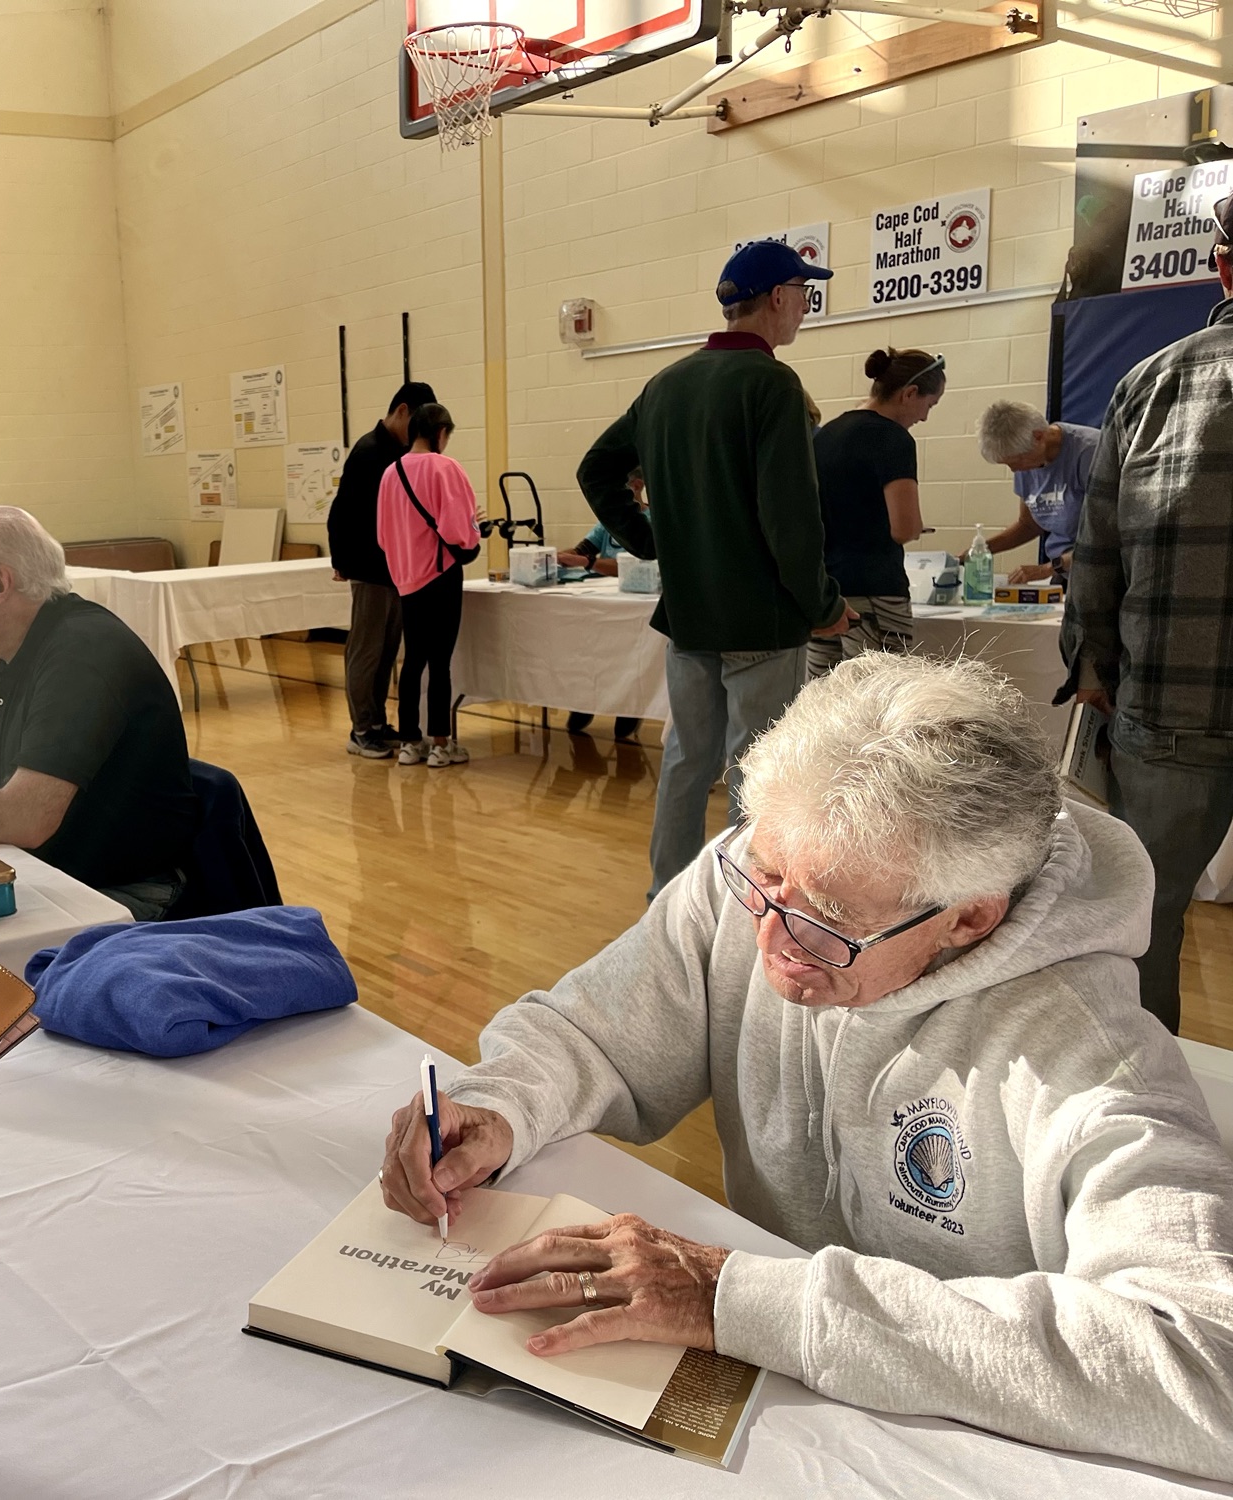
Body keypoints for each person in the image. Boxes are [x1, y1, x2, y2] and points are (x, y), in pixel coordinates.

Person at [381, 654, 1233, 1482]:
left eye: (828, 921)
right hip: (763, 1390)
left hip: (950, 1442)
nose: (771, 941)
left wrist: (732, 1295)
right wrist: (501, 1102)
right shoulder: (785, 868)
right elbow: (595, 1028)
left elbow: (1206, 1361)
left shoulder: (1093, 1058)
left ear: (969, 919)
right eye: (763, 878)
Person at [578, 239, 852, 897]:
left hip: (689, 614)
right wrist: (822, 604)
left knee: (686, 760)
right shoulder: (773, 384)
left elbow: (596, 470)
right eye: (804, 295)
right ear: (779, 297)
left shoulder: (666, 384)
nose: (805, 308)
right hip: (761, 618)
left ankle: (666, 900)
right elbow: (791, 518)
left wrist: (648, 540)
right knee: (758, 772)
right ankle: (738, 907)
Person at [1062, 193, 1233, 1036]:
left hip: (1169, 701)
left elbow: (1096, 551)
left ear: (1223, 267)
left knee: (1144, 919)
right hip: (1171, 702)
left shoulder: (1150, 381)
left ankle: (1145, 1091)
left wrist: (1092, 665)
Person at [0, 506, 199, 918]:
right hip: (41, 869)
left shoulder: (84, 652)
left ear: (0, 584)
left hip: (119, 894)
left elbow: (27, 816)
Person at [807, 347, 946, 679]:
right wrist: (916, 526)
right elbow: (903, 528)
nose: (925, 417)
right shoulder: (893, 438)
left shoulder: (826, 435)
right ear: (909, 393)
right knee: (877, 698)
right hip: (875, 590)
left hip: (826, 591)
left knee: (819, 698)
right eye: (929, 405)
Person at [329, 380, 437, 758]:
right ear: (402, 410)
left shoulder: (399, 452)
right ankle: (361, 729)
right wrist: (341, 560)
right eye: (417, 421)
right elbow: (341, 512)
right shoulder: (369, 452)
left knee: (387, 651)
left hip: (395, 570)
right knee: (366, 651)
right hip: (369, 567)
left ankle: (376, 722)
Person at [376, 402, 480, 768]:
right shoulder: (445, 468)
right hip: (441, 574)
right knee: (440, 662)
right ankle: (440, 743)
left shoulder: (391, 472)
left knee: (412, 660)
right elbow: (457, 528)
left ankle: (409, 742)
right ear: (440, 433)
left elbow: (383, 534)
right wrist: (474, 534)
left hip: (406, 577)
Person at [560, 469, 647, 742]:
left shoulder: (650, 521)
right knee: (585, 644)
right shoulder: (608, 520)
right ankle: (585, 699)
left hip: (633, 600)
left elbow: (634, 566)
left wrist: (589, 563)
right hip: (602, 597)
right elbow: (583, 549)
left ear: (637, 485)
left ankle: (628, 706)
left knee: (622, 651)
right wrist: (557, 557)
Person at [976, 399, 1098, 584]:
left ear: (1039, 437)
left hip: (1102, 572)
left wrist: (1047, 569)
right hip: (1065, 572)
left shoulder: (1090, 453)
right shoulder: (1028, 461)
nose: (1014, 470)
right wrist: (977, 551)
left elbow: (1108, 537)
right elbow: (1029, 524)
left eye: (1017, 461)